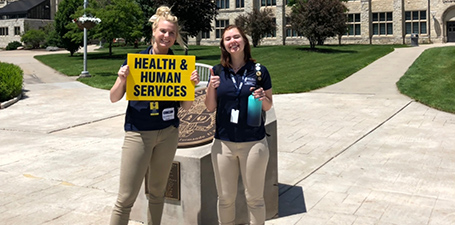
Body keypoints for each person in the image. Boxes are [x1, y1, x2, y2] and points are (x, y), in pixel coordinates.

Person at [109, 6, 200, 225]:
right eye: (163, 31)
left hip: (168, 133)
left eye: (171, 33)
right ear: (154, 31)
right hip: (138, 133)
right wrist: (122, 78)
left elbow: (186, 107)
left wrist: (191, 86)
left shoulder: (179, 66)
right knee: (126, 198)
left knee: (159, 193)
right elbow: (114, 97)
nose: (167, 36)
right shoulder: (135, 61)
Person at [204, 25, 273, 225]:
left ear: (244, 41)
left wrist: (262, 98)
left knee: (255, 199)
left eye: (237, 37)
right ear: (223, 45)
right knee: (225, 199)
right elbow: (210, 107)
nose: (233, 41)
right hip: (223, 143)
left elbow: (268, 106)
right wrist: (210, 87)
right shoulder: (217, 71)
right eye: (228, 39)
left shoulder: (259, 71)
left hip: (254, 143)